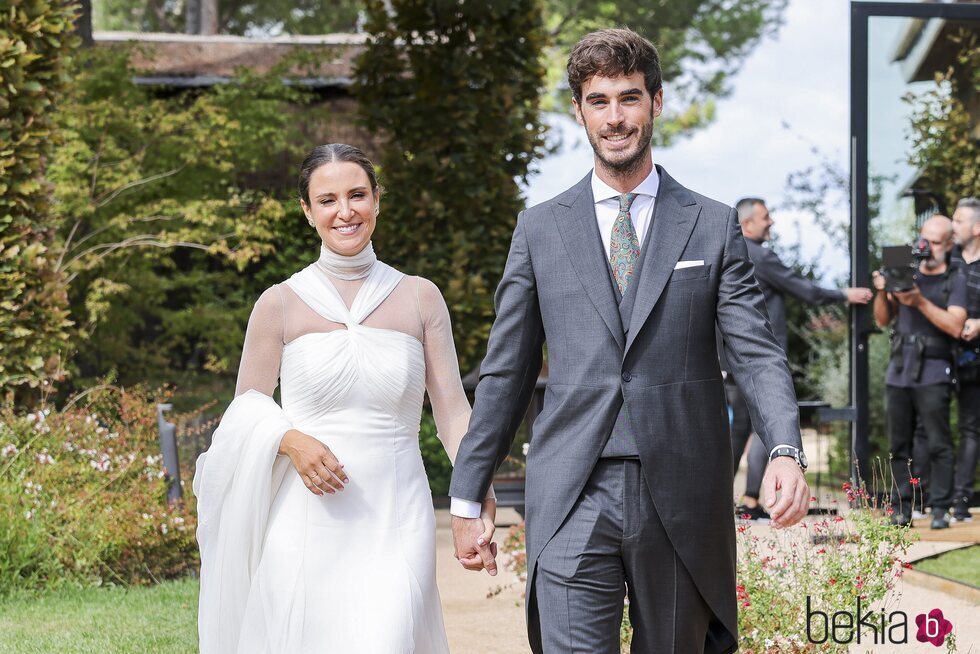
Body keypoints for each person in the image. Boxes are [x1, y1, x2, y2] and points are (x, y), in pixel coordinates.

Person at [448, 29, 810, 654]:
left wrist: (783, 447)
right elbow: (505, 372)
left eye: (629, 98)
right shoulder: (539, 229)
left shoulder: (711, 223)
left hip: (681, 490)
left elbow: (756, 351)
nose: (615, 117)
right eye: (599, 101)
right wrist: (466, 491)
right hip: (569, 493)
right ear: (579, 111)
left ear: (657, 102)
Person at [193, 144, 495, 653]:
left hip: (397, 511)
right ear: (308, 212)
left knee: (390, 636)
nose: (345, 210)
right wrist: (290, 440)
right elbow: (244, 410)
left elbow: (452, 414)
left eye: (357, 195)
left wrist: (475, 496)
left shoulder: (421, 297)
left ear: (377, 200)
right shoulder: (279, 303)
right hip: (306, 515)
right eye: (327, 199)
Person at [728, 197, 872, 521]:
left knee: (739, 431)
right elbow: (804, 290)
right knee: (765, 428)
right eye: (766, 217)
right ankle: (751, 501)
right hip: (762, 360)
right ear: (747, 223)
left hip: (732, 361)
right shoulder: (760, 256)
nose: (772, 222)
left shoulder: (728, 253)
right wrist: (844, 295)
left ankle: (724, 502)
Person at [872, 215, 967, 529]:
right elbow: (883, 321)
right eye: (925, 240)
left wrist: (919, 302)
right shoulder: (905, 273)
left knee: (939, 443)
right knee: (898, 444)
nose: (928, 248)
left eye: (937, 242)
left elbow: (955, 325)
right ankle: (902, 508)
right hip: (900, 369)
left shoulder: (955, 277)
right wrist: (884, 291)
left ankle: (940, 508)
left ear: (950, 244)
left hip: (934, 370)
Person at [951, 197, 980, 522]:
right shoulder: (949, 261)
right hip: (945, 358)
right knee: (932, 429)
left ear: (976, 227)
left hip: (976, 360)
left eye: (958, 221)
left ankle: (961, 501)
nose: (952, 226)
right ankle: (931, 496)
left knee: (971, 429)